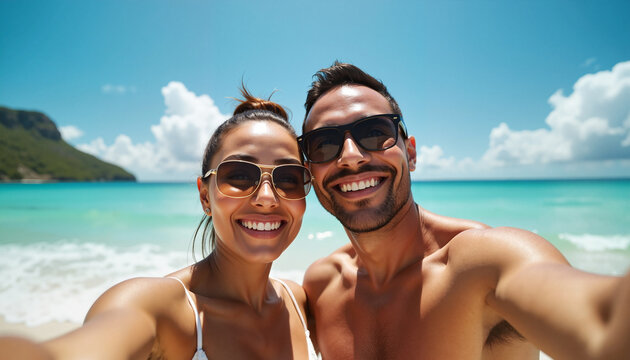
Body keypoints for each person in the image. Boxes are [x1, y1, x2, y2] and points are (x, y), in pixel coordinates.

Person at [300, 62, 630, 360]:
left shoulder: (480, 264)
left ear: (410, 154)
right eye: (323, 144)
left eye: (375, 132)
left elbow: (602, 325)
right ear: (309, 173)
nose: (350, 156)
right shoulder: (321, 286)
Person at [0, 88, 318, 360]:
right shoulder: (157, 308)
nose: (267, 197)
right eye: (238, 175)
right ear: (205, 197)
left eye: (288, 178)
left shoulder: (301, 302)